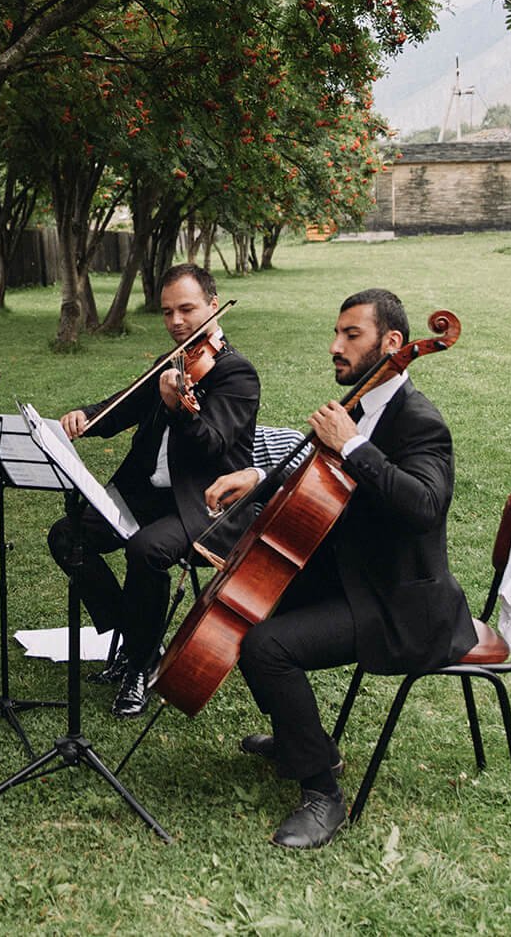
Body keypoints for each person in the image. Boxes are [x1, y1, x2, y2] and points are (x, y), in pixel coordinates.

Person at [202, 288, 478, 849]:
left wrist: (354, 447)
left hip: (400, 604)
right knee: (249, 607)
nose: (336, 346)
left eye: (351, 335)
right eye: (337, 333)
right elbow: (315, 478)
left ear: (392, 343)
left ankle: (322, 792)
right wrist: (257, 479)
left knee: (267, 646)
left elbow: (425, 505)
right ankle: (301, 738)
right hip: (355, 576)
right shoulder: (358, 408)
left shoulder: (417, 423)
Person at [50, 263, 260, 719]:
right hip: (145, 495)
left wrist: (179, 409)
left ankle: (139, 666)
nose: (177, 322)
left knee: (146, 550)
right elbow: (123, 405)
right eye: (167, 312)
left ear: (212, 303)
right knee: (66, 536)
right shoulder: (175, 362)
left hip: (202, 504)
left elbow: (212, 444)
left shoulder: (236, 375)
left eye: (186, 309)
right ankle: (135, 639)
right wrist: (85, 415)